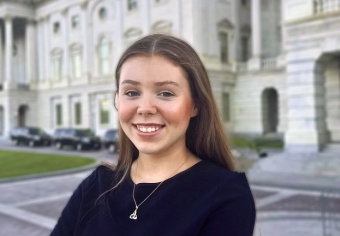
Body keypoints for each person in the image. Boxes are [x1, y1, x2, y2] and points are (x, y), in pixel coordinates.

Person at [50, 34, 256, 236]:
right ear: (117, 100)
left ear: (195, 105)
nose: (145, 108)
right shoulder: (96, 186)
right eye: (131, 92)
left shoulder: (226, 196)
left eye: (166, 93)